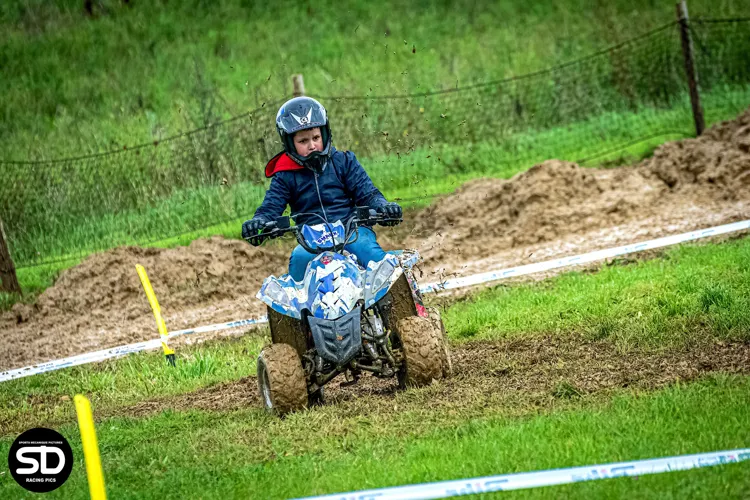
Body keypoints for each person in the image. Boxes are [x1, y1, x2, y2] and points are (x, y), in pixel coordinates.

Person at [242, 96, 402, 282]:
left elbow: (368, 194)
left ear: (325, 135)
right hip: (311, 242)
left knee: (374, 257)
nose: (312, 146)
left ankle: (400, 306)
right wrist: (258, 223)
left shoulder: (344, 161)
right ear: (289, 144)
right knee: (298, 267)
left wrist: (383, 206)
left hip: (353, 231)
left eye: (316, 138)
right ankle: (300, 311)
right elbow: (270, 208)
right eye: (303, 141)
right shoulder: (284, 175)